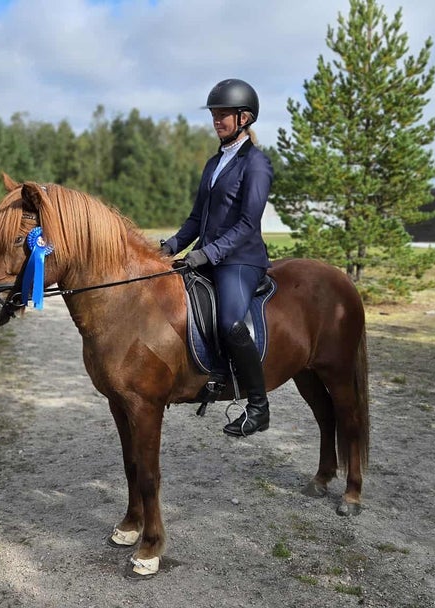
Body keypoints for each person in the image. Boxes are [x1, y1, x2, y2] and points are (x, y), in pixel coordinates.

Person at [161, 78, 274, 437]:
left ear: (244, 118)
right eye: (214, 113)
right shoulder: (214, 163)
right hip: (206, 255)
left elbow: (247, 223)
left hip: (240, 259)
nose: (216, 119)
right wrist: (169, 247)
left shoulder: (256, 164)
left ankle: (258, 406)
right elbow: (197, 218)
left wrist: (208, 253)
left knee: (230, 323)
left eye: (223, 114)